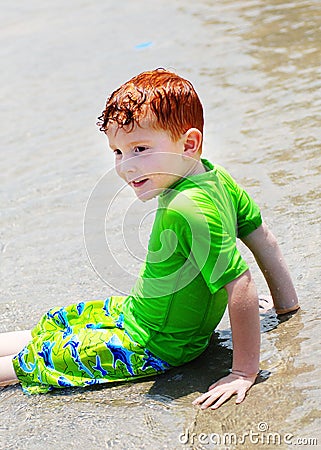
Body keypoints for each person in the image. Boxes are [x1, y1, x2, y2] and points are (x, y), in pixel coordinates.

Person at [0, 69, 299, 409]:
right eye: (117, 152)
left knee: (41, 359)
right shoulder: (216, 177)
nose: (126, 166)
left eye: (139, 148)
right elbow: (264, 239)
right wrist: (286, 306)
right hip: (136, 314)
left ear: (188, 145)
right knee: (62, 323)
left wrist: (244, 371)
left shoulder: (189, 207)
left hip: (154, 346)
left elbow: (240, 284)